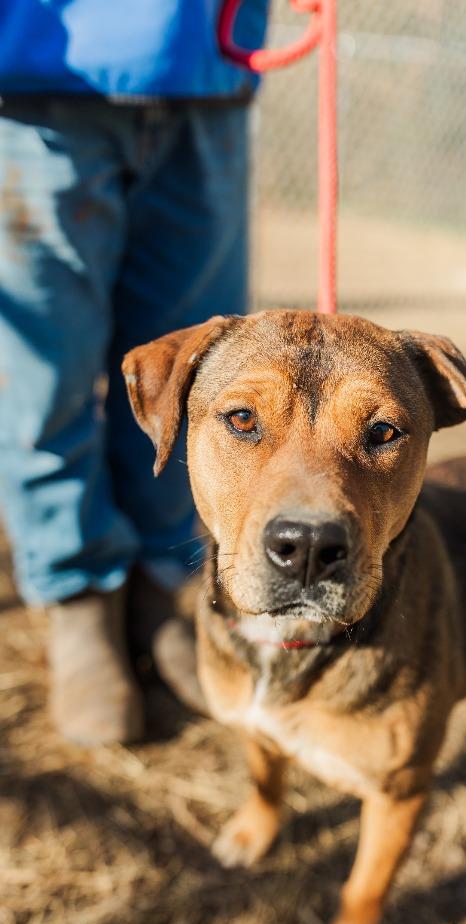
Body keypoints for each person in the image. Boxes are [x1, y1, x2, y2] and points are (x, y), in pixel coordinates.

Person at [0, 0, 269, 745]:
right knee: (42, 377)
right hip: (34, 68)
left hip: (207, 65)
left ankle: (158, 583)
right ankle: (79, 592)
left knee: (183, 375)